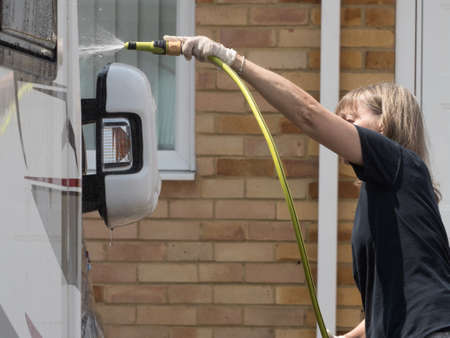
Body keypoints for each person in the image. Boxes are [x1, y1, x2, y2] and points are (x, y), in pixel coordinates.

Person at [165, 35, 450, 338]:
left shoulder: (399, 164)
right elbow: (393, 298)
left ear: (384, 124)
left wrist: (232, 59)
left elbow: (309, 115)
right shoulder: (383, 190)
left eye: (350, 119)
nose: (340, 126)